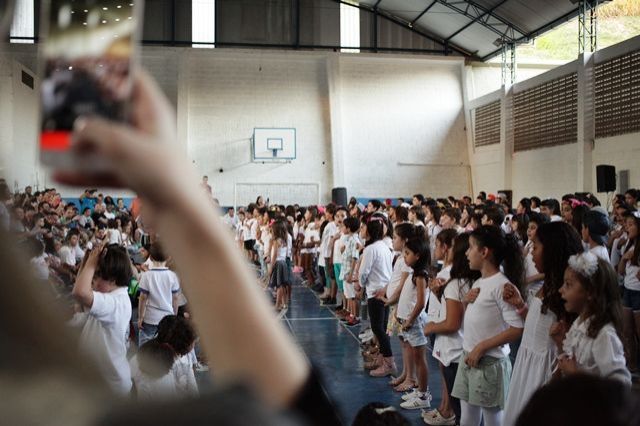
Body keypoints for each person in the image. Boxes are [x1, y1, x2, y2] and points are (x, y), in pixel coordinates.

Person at [43, 70, 341, 424]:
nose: (96, 283)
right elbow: (300, 408)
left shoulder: (116, 303)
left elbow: (297, 407)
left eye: (100, 279)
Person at [502, 222, 583, 426]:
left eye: (536, 248)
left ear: (553, 251)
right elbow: (540, 323)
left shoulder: (565, 293)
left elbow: (567, 338)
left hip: (545, 366)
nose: (531, 254)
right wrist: (520, 305)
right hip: (528, 360)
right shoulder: (548, 283)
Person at [451, 225, 524, 426]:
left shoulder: (502, 286)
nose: (466, 252)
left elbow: (517, 328)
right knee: (467, 418)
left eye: (471, 247)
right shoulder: (479, 283)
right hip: (469, 356)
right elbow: (477, 320)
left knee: (493, 419)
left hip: (488, 362)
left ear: (484, 252)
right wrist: (466, 302)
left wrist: (482, 347)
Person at [423, 233, 479, 426]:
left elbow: (452, 322)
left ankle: (448, 413)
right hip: (463, 348)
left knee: (463, 410)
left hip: (456, 349)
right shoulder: (469, 280)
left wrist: (430, 327)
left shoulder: (456, 281)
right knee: (470, 410)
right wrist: (440, 293)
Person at [553, 252, 631, 385]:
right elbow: (570, 361)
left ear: (590, 292)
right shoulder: (579, 323)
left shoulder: (604, 334)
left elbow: (620, 385)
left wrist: (576, 375)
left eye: (568, 284)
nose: (561, 290)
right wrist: (560, 344)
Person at [71, 243, 133, 395]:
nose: (92, 280)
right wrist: (87, 262)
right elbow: (79, 293)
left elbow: (80, 292)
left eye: (96, 275)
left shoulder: (116, 303)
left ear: (112, 279)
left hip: (110, 387)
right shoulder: (111, 295)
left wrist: (91, 263)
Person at [396, 232, 431, 410]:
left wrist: (410, 319)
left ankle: (423, 395)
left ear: (418, 255)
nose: (405, 256)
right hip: (410, 321)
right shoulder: (414, 273)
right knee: (417, 358)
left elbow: (421, 303)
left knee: (420, 359)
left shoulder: (421, 275)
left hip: (415, 322)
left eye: (408, 253)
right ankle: (419, 391)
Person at [358, 216, 394, 376]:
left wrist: (360, 283)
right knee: (382, 327)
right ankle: (381, 357)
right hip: (385, 290)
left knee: (378, 328)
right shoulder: (384, 246)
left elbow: (364, 272)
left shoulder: (371, 249)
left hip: (375, 291)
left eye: (364, 227)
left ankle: (389, 362)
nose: (362, 230)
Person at [384, 223, 416, 392]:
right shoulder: (400, 257)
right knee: (403, 341)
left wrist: (392, 301)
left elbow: (403, 285)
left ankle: (411, 377)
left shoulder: (406, 260)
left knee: (407, 342)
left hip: (400, 306)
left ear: (405, 241)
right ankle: (405, 372)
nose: (393, 241)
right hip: (396, 304)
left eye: (395, 238)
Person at [138, 243, 181, 346]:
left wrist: (140, 317)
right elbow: (175, 298)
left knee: (146, 346)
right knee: (165, 346)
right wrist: (174, 315)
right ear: (169, 257)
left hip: (150, 317)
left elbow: (143, 298)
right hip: (167, 318)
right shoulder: (173, 276)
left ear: (151, 257)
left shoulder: (147, 276)